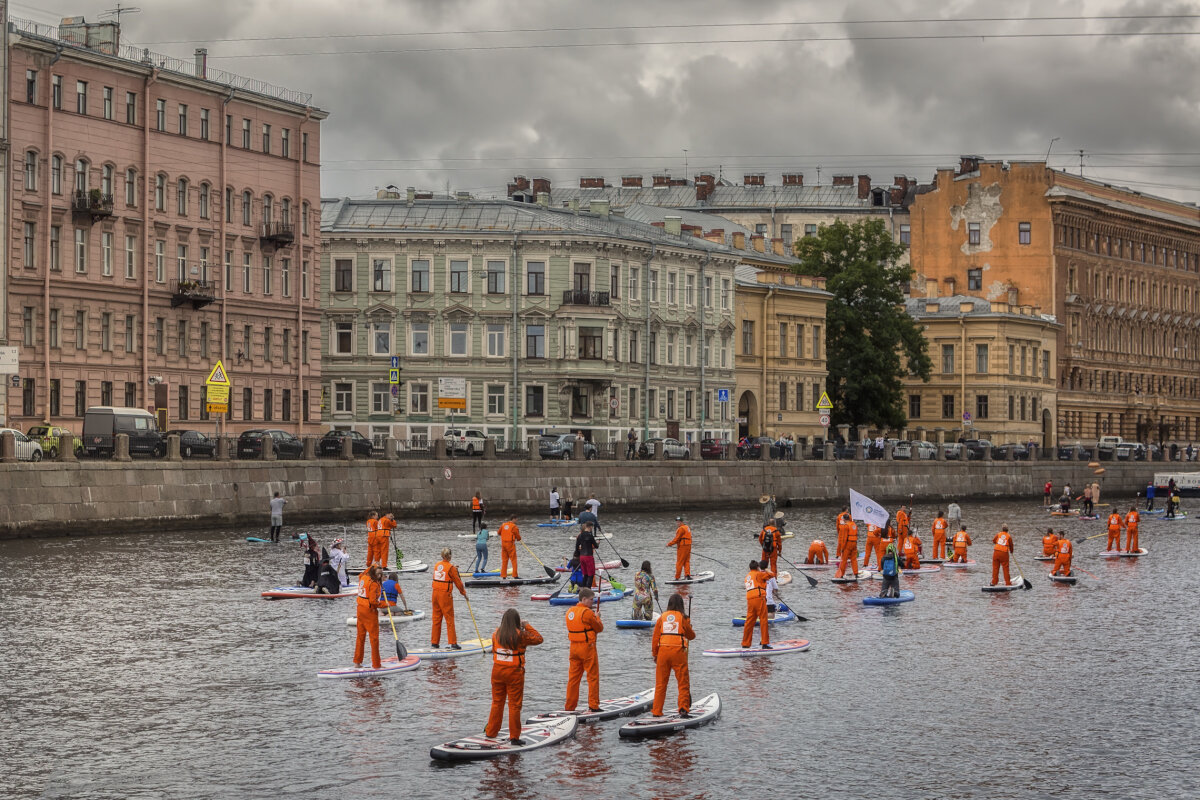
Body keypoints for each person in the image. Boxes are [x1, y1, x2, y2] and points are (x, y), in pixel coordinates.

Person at [485, 609, 543, 745]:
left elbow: (494, 649)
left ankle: (491, 732)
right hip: (514, 673)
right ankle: (514, 737)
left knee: (497, 702)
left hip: (497, 672)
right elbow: (539, 639)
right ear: (517, 622)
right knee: (514, 705)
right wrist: (527, 625)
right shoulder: (520, 636)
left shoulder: (495, 634)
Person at [651, 593, 695, 718]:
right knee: (683, 682)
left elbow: (655, 639)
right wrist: (689, 627)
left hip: (663, 653)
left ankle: (657, 711)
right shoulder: (682, 618)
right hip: (678, 652)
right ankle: (683, 709)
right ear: (681, 605)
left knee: (660, 683)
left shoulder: (662, 617)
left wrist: (655, 654)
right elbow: (691, 636)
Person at [564, 586, 604, 713]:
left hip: (574, 648)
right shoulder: (587, 613)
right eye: (591, 600)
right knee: (592, 677)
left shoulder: (570, 611)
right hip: (587, 648)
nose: (592, 602)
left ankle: (569, 707)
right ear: (584, 599)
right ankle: (593, 705)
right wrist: (597, 616)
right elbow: (599, 628)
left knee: (573, 679)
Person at [430, 548, 467, 650]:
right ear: (449, 556)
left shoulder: (437, 565)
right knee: (449, 619)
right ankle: (453, 643)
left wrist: (453, 568)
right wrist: (463, 593)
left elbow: (444, 572)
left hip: (435, 594)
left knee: (436, 619)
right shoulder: (451, 568)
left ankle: (434, 643)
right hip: (445, 595)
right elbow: (458, 582)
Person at [353, 565, 386, 669]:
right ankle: (376, 664)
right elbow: (373, 602)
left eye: (381, 574)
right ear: (373, 572)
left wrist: (373, 565)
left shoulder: (363, 577)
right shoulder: (374, 584)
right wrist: (385, 605)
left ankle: (357, 663)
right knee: (374, 639)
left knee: (360, 637)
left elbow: (363, 572)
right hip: (369, 612)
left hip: (360, 610)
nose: (380, 576)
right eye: (378, 574)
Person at [742, 560, 773, 649]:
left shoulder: (747, 576)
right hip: (759, 598)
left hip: (750, 599)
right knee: (763, 619)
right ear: (757, 567)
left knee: (749, 622)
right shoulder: (759, 573)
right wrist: (766, 569)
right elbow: (772, 575)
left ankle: (745, 643)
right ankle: (765, 643)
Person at [835, 507, 860, 579]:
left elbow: (844, 538)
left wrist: (842, 548)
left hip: (848, 544)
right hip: (854, 543)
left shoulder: (846, 526)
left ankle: (841, 574)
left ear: (845, 519)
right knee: (854, 559)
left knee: (844, 560)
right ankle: (856, 574)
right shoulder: (854, 524)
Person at [574, 523, 599, 589]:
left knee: (585, 574)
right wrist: (598, 543)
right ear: (590, 527)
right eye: (592, 528)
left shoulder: (580, 535)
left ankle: (583, 590)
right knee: (591, 575)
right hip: (589, 557)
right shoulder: (590, 535)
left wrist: (578, 554)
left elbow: (576, 548)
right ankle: (588, 590)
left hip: (582, 557)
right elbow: (596, 546)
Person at [667, 516, 693, 580]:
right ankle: (687, 575)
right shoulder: (687, 527)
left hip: (683, 546)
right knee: (686, 561)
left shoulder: (681, 528)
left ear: (682, 522)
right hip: (688, 546)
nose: (678, 523)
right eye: (677, 522)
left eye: (679, 522)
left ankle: (677, 577)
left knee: (679, 562)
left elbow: (677, 539)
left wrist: (669, 544)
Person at [498, 514, 521, 579]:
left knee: (504, 560)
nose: (517, 521)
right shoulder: (514, 526)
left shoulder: (503, 525)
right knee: (514, 560)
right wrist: (519, 539)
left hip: (503, 545)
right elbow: (518, 536)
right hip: (510, 545)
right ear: (514, 519)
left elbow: (499, 532)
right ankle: (515, 575)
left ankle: (503, 575)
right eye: (516, 519)